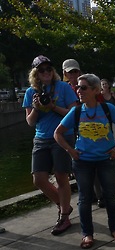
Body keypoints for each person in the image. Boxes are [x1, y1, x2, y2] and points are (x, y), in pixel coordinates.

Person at [54, 73, 115, 249]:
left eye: (83, 88)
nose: (78, 91)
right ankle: (87, 234)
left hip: (107, 160)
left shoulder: (107, 109)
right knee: (84, 198)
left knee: (110, 197)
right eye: (77, 88)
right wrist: (70, 150)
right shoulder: (76, 111)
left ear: (95, 90)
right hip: (83, 162)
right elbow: (57, 133)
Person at [22, 55, 79, 235]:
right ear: (35, 73)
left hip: (62, 136)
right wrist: (38, 108)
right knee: (38, 179)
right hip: (41, 138)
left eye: (48, 69)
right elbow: (30, 122)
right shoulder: (31, 92)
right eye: (41, 70)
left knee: (62, 177)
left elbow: (74, 113)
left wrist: (54, 107)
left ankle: (64, 217)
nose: (46, 72)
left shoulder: (63, 87)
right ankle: (64, 206)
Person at [93, 78, 115, 208]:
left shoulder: (111, 97)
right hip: (100, 128)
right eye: (102, 84)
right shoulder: (98, 97)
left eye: (106, 84)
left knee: (113, 139)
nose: (104, 86)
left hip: (113, 121)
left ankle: (108, 195)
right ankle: (101, 196)